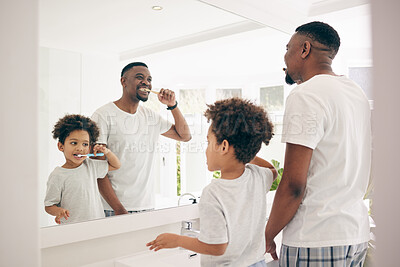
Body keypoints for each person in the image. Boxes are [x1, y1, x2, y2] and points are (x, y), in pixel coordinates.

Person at [265, 21, 372, 266]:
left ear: (304, 49)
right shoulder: (356, 93)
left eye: (287, 48)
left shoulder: (306, 94)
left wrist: (269, 233)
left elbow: (293, 184)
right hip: (355, 234)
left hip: (315, 236)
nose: (285, 57)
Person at [147, 97, 278, 267]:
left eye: (209, 142)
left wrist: (178, 240)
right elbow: (273, 172)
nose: (206, 149)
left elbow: (216, 247)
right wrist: (244, 150)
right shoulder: (257, 177)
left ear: (223, 147)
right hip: (257, 263)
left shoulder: (214, 192)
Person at [91, 62, 191, 216]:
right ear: (123, 82)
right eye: (140, 77)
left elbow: (185, 136)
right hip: (113, 209)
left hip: (147, 206)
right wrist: (118, 209)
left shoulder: (150, 116)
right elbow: (98, 169)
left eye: (149, 79)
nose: (146, 82)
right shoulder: (102, 115)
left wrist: (172, 105)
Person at [44, 114, 121, 224]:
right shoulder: (57, 175)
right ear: (61, 146)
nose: (80, 148)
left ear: (90, 148)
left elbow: (116, 165)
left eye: (85, 144)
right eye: (74, 143)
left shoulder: (91, 166)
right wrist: (58, 211)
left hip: (97, 225)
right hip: (72, 229)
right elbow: (49, 206)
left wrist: (106, 151)